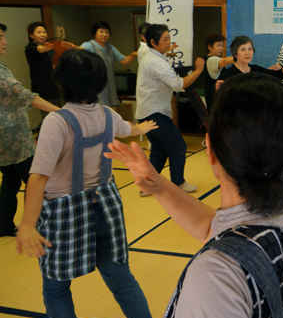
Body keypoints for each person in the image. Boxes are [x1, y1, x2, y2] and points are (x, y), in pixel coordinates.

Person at [106, 73, 283, 318]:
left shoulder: (217, 275)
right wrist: (159, 185)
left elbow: (229, 245)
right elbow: (215, 229)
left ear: (211, 150)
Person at [15, 48, 160, 318]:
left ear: (60, 82)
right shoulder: (108, 114)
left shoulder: (57, 122)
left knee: (56, 286)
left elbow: (38, 177)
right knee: (121, 278)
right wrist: (141, 128)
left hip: (64, 211)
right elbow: (128, 129)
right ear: (100, 83)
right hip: (106, 204)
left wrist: (27, 225)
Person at [0, 23, 59, 238]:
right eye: (0, 37)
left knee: (11, 179)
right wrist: (62, 112)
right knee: (36, 181)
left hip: (6, 134)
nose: (5, 41)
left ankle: (3, 225)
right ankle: (43, 227)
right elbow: (24, 95)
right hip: (11, 134)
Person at [135, 24, 204, 197]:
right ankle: (178, 183)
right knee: (178, 145)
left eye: (169, 38)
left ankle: (147, 186)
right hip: (154, 112)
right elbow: (177, 84)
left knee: (159, 150)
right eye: (165, 39)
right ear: (153, 42)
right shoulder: (156, 61)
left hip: (147, 111)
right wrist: (198, 70)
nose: (169, 42)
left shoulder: (152, 55)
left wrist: (167, 52)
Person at [62, 22, 137, 107]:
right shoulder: (89, 45)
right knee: (96, 106)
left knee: (108, 108)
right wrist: (73, 47)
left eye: (107, 32)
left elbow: (124, 61)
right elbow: (80, 50)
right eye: (101, 31)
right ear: (94, 33)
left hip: (108, 84)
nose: (104, 34)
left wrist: (133, 54)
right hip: (95, 84)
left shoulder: (110, 47)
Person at [218, 35, 283, 83]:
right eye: (243, 50)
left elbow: (277, 75)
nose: (247, 53)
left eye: (250, 49)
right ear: (235, 54)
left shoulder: (256, 70)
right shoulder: (228, 74)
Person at [24, 22, 61, 121]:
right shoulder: (30, 48)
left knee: (58, 116)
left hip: (52, 86)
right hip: (42, 88)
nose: (42, 34)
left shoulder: (46, 49)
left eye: (44, 32)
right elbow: (39, 49)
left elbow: (50, 66)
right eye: (39, 32)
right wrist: (45, 48)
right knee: (48, 118)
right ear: (31, 35)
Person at [201, 33, 230, 110]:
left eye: (222, 45)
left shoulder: (214, 59)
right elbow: (225, 61)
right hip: (215, 105)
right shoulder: (211, 60)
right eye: (218, 45)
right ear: (209, 47)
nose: (221, 48)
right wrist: (240, 58)